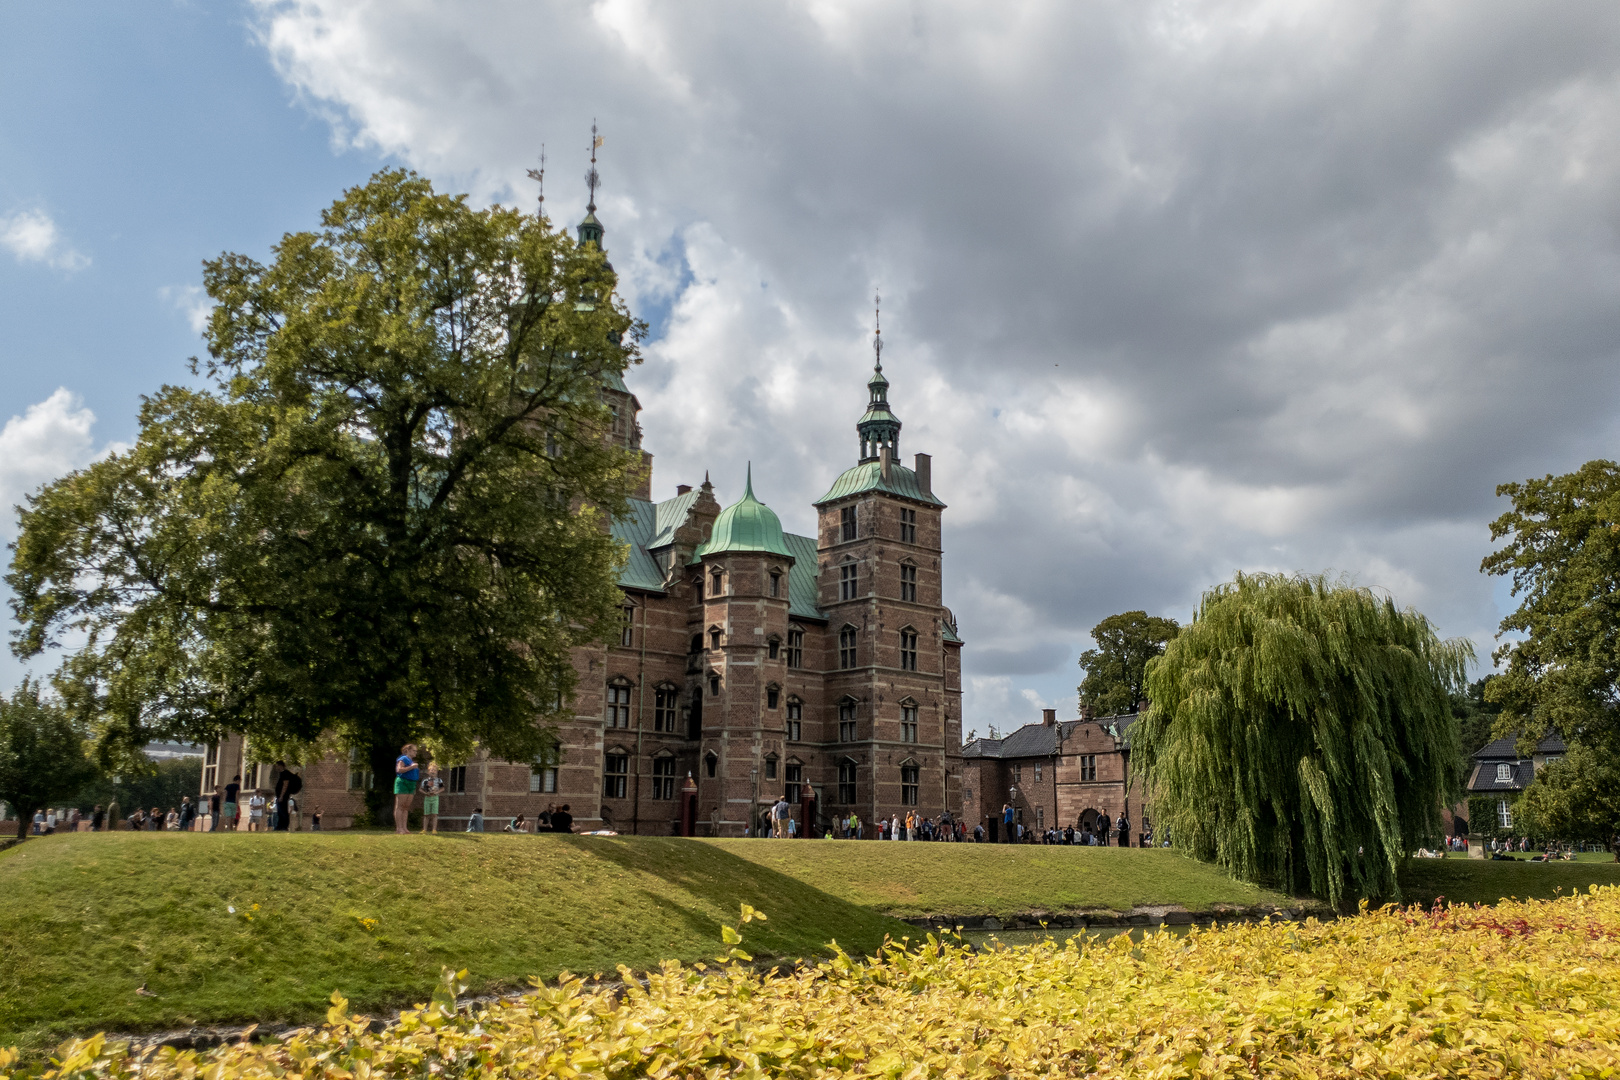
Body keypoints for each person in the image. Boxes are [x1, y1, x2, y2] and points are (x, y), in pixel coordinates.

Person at [394, 743, 420, 835]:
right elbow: (399, 770)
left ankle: (405, 828)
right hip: (403, 783)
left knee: (406, 807)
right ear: (408, 751)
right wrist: (412, 767)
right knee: (400, 806)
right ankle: (399, 828)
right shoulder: (403, 759)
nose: (415, 752)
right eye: (414, 750)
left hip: (411, 784)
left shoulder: (412, 761)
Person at [273, 761, 299, 832]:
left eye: (277, 765)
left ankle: (284, 826)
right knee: (280, 811)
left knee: (283, 811)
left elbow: (285, 785)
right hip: (280, 796)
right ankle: (280, 826)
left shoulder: (285, 773)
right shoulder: (282, 773)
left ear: (281, 766)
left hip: (283, 796)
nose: (276, 767)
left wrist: (281, 796)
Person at [420, 764, 445, 834]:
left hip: (435, 798)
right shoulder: (425, 781)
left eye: (434, 770)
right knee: (426, 814)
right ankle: (424, 829)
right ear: (428, 772)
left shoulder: (439, 780)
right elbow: (420, 789)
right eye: (431, 770)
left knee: (434, 814)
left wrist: (437, 792)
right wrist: (425, 793)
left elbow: (442, 788)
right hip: (427, 798)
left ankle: (434, 829)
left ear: (437, 772)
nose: (433, 771)